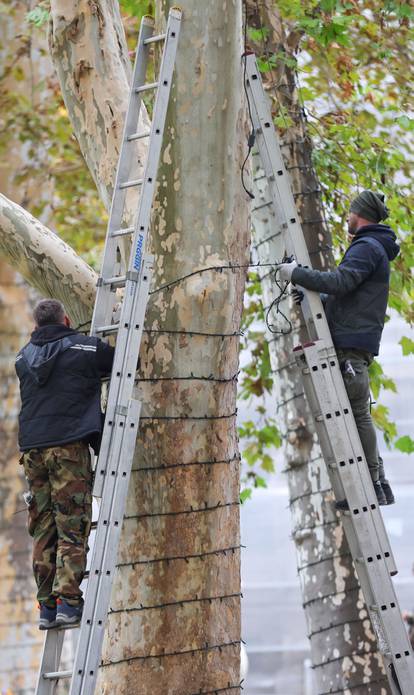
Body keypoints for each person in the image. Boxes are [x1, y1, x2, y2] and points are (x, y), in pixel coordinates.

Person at [278, 190, 398, 507]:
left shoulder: (366, 247)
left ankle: (371, 486)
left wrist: (297, 274)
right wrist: (316, 298)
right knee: (360, 415)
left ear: (359, 214)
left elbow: (341, 282)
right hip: (354, 343)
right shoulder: (373, 248)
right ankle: (379, 483)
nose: (346, 217)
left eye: (349, 212)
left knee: (358, 416)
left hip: (350, 347)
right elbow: (350, 296)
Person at [15, 299, 114, 629]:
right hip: (67, 447)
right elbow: (126, 362)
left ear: (37, 326)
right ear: (67, 319)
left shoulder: (22, 358)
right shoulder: (84, 347)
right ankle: (69, 603)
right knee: (72, 523)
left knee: (44, 527)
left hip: (32, 450)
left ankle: (47, 607)